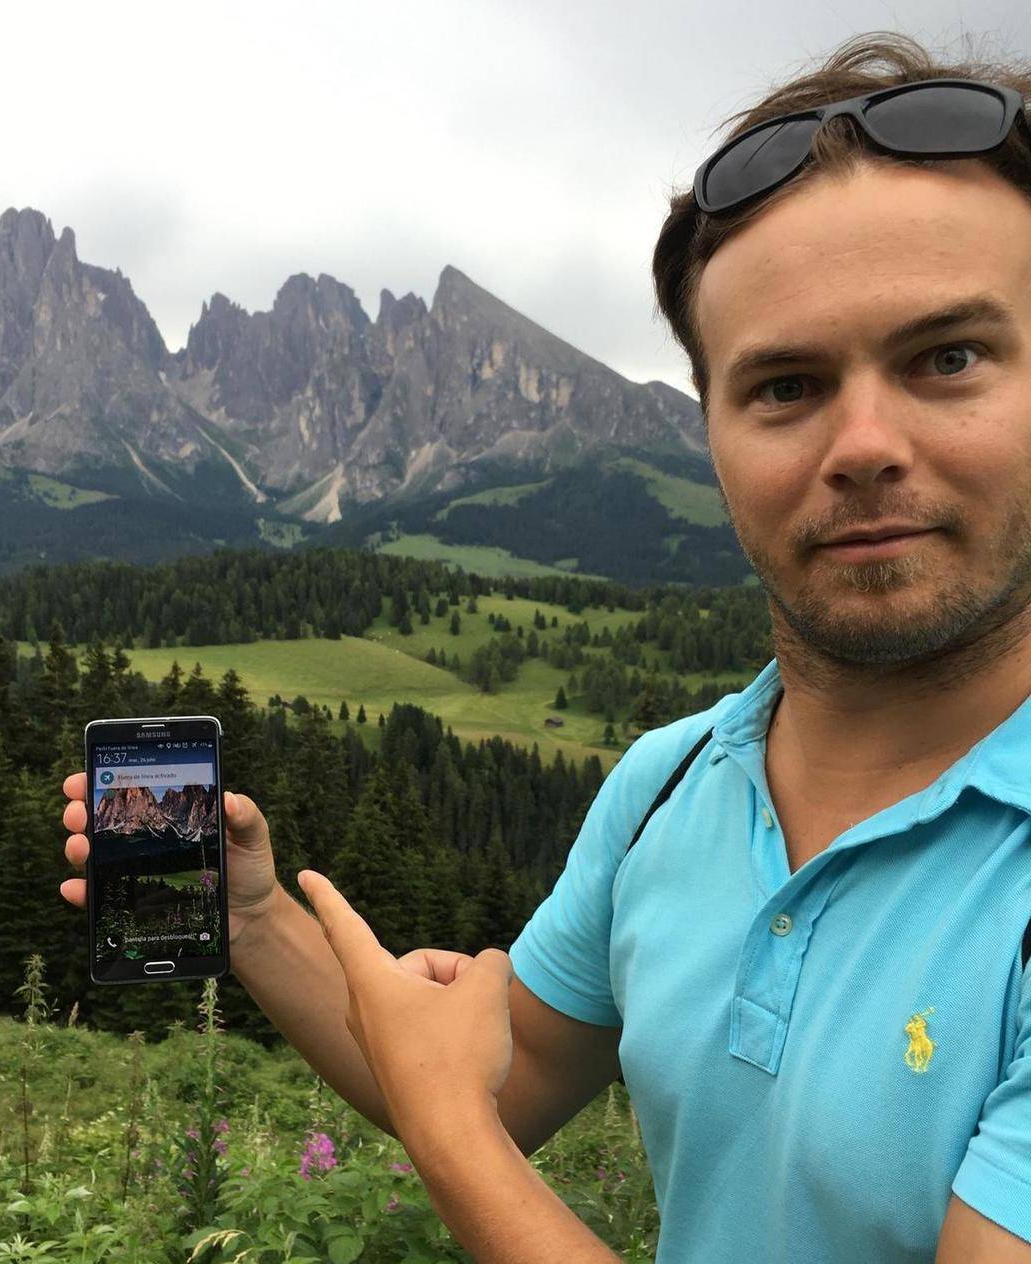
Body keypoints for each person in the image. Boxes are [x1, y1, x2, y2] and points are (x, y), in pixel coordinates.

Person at [60, 29, 1031, 1263]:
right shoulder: (666, 787)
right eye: (784, 385)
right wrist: (250, 920)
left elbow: (461, 1122)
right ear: (711, 432)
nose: (864, 443)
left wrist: (452, 1145)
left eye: (948, 357)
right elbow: (489, 1077)